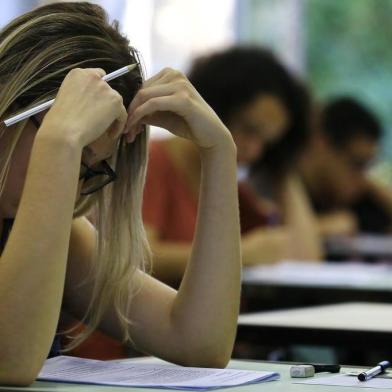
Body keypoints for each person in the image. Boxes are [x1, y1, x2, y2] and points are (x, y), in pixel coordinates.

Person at [0, 2, 241, 386]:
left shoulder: (63, 236)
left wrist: (219, 153)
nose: (73, 187)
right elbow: (9, 360)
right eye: (72, 155)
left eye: (90, 167)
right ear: (9, 105)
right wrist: (60, 144)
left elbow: (200, 342)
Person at [143, 46, 321, 287]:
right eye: (249, 130)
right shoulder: (154, 161)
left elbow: (304, 257)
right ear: (214, 107)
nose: (254, 150)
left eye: (267, 143)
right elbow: (138, 258)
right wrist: (242, 256)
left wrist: (283, 168)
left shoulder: (229, 183)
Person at [299, 96, 392, 236]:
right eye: (357, 164)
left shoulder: (361, 200)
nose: (362, 179)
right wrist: (322, 227)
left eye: (368, 167)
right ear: (322, 145)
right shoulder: (283, 189)